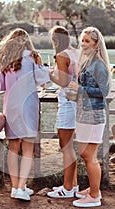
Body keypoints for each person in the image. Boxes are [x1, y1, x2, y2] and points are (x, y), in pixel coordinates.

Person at [0, 28, 49, 201]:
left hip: (11, 106)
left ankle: (17, 187)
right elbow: (42, 79)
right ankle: (21, 186)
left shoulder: (4, 61)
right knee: (28, 149)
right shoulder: (31, 58)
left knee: (13, 148)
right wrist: (43, 66)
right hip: (28, 106)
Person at [67, 27, 111, 207]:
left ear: (96, 43)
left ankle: (94, 196)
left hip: (94, 114)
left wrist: (80, 90)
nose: (83, 44)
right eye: (82, 41)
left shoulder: (99, 64)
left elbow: (104, 92)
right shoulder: (86, 62)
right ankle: (94, 189)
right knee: (85, 154)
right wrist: (73, 94)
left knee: (88, 155)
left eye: (87, 41)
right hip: (83, 112)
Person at [46, 26, 80, 198]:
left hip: (67, 102)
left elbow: (64, 81)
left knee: (65, 146)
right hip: (77, 101)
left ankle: (67, 188)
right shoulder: (76, 52)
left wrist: (49, 74)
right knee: (70, 145)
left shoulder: (61, 55)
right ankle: (73, 185)